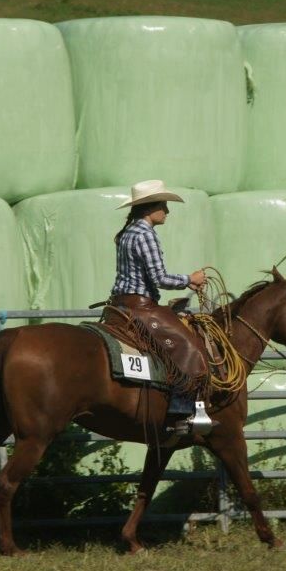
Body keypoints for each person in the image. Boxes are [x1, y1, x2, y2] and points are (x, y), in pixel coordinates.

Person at [107, 179, 214, 435]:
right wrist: (191, 280)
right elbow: (159, 279)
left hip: (120, 303)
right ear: (150, 208)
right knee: (186, 345)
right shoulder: (146, 235)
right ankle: (180, 410)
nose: (167, 211)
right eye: (163, 205)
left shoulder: (129, 232)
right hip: (140, 305)